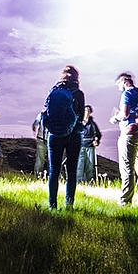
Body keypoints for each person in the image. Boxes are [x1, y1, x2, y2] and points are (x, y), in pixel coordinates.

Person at [110, 73, 138, 205]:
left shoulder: (127, 94)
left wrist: (115, 118)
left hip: (130, 132)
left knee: (127, 167)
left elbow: (125, 113)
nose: (118, 87)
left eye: (118, 84)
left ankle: (125, 201)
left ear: (124, 81)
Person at [46, 65, 85, 210]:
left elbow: (46, 110)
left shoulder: (54, 91)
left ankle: (52, 205)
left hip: (54, 135)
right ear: (76, 77)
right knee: (72, 171)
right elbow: (80, 115)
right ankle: (69, 205)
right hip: (73, 134)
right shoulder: (78, 93)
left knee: (54, 170)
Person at [77, 105, 102, 184]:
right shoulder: (78, 122)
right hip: (79, 146)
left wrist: (97, 141)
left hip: (90, 146)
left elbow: (98, 135)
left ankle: (89, 182)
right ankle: (78, 182)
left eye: (88, 111)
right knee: (79, 165)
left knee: (90, 165)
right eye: (85, 111)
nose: (87, 112)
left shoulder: (93, 124)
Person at [31, 111, 49, 180]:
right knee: (52, 161)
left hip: (41, 139)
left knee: (39, 160)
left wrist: (35, 136)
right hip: (51, 140)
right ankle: (51, 179)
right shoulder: (57, 113)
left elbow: (34, 125)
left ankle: (37, 178)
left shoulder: (41, 115)